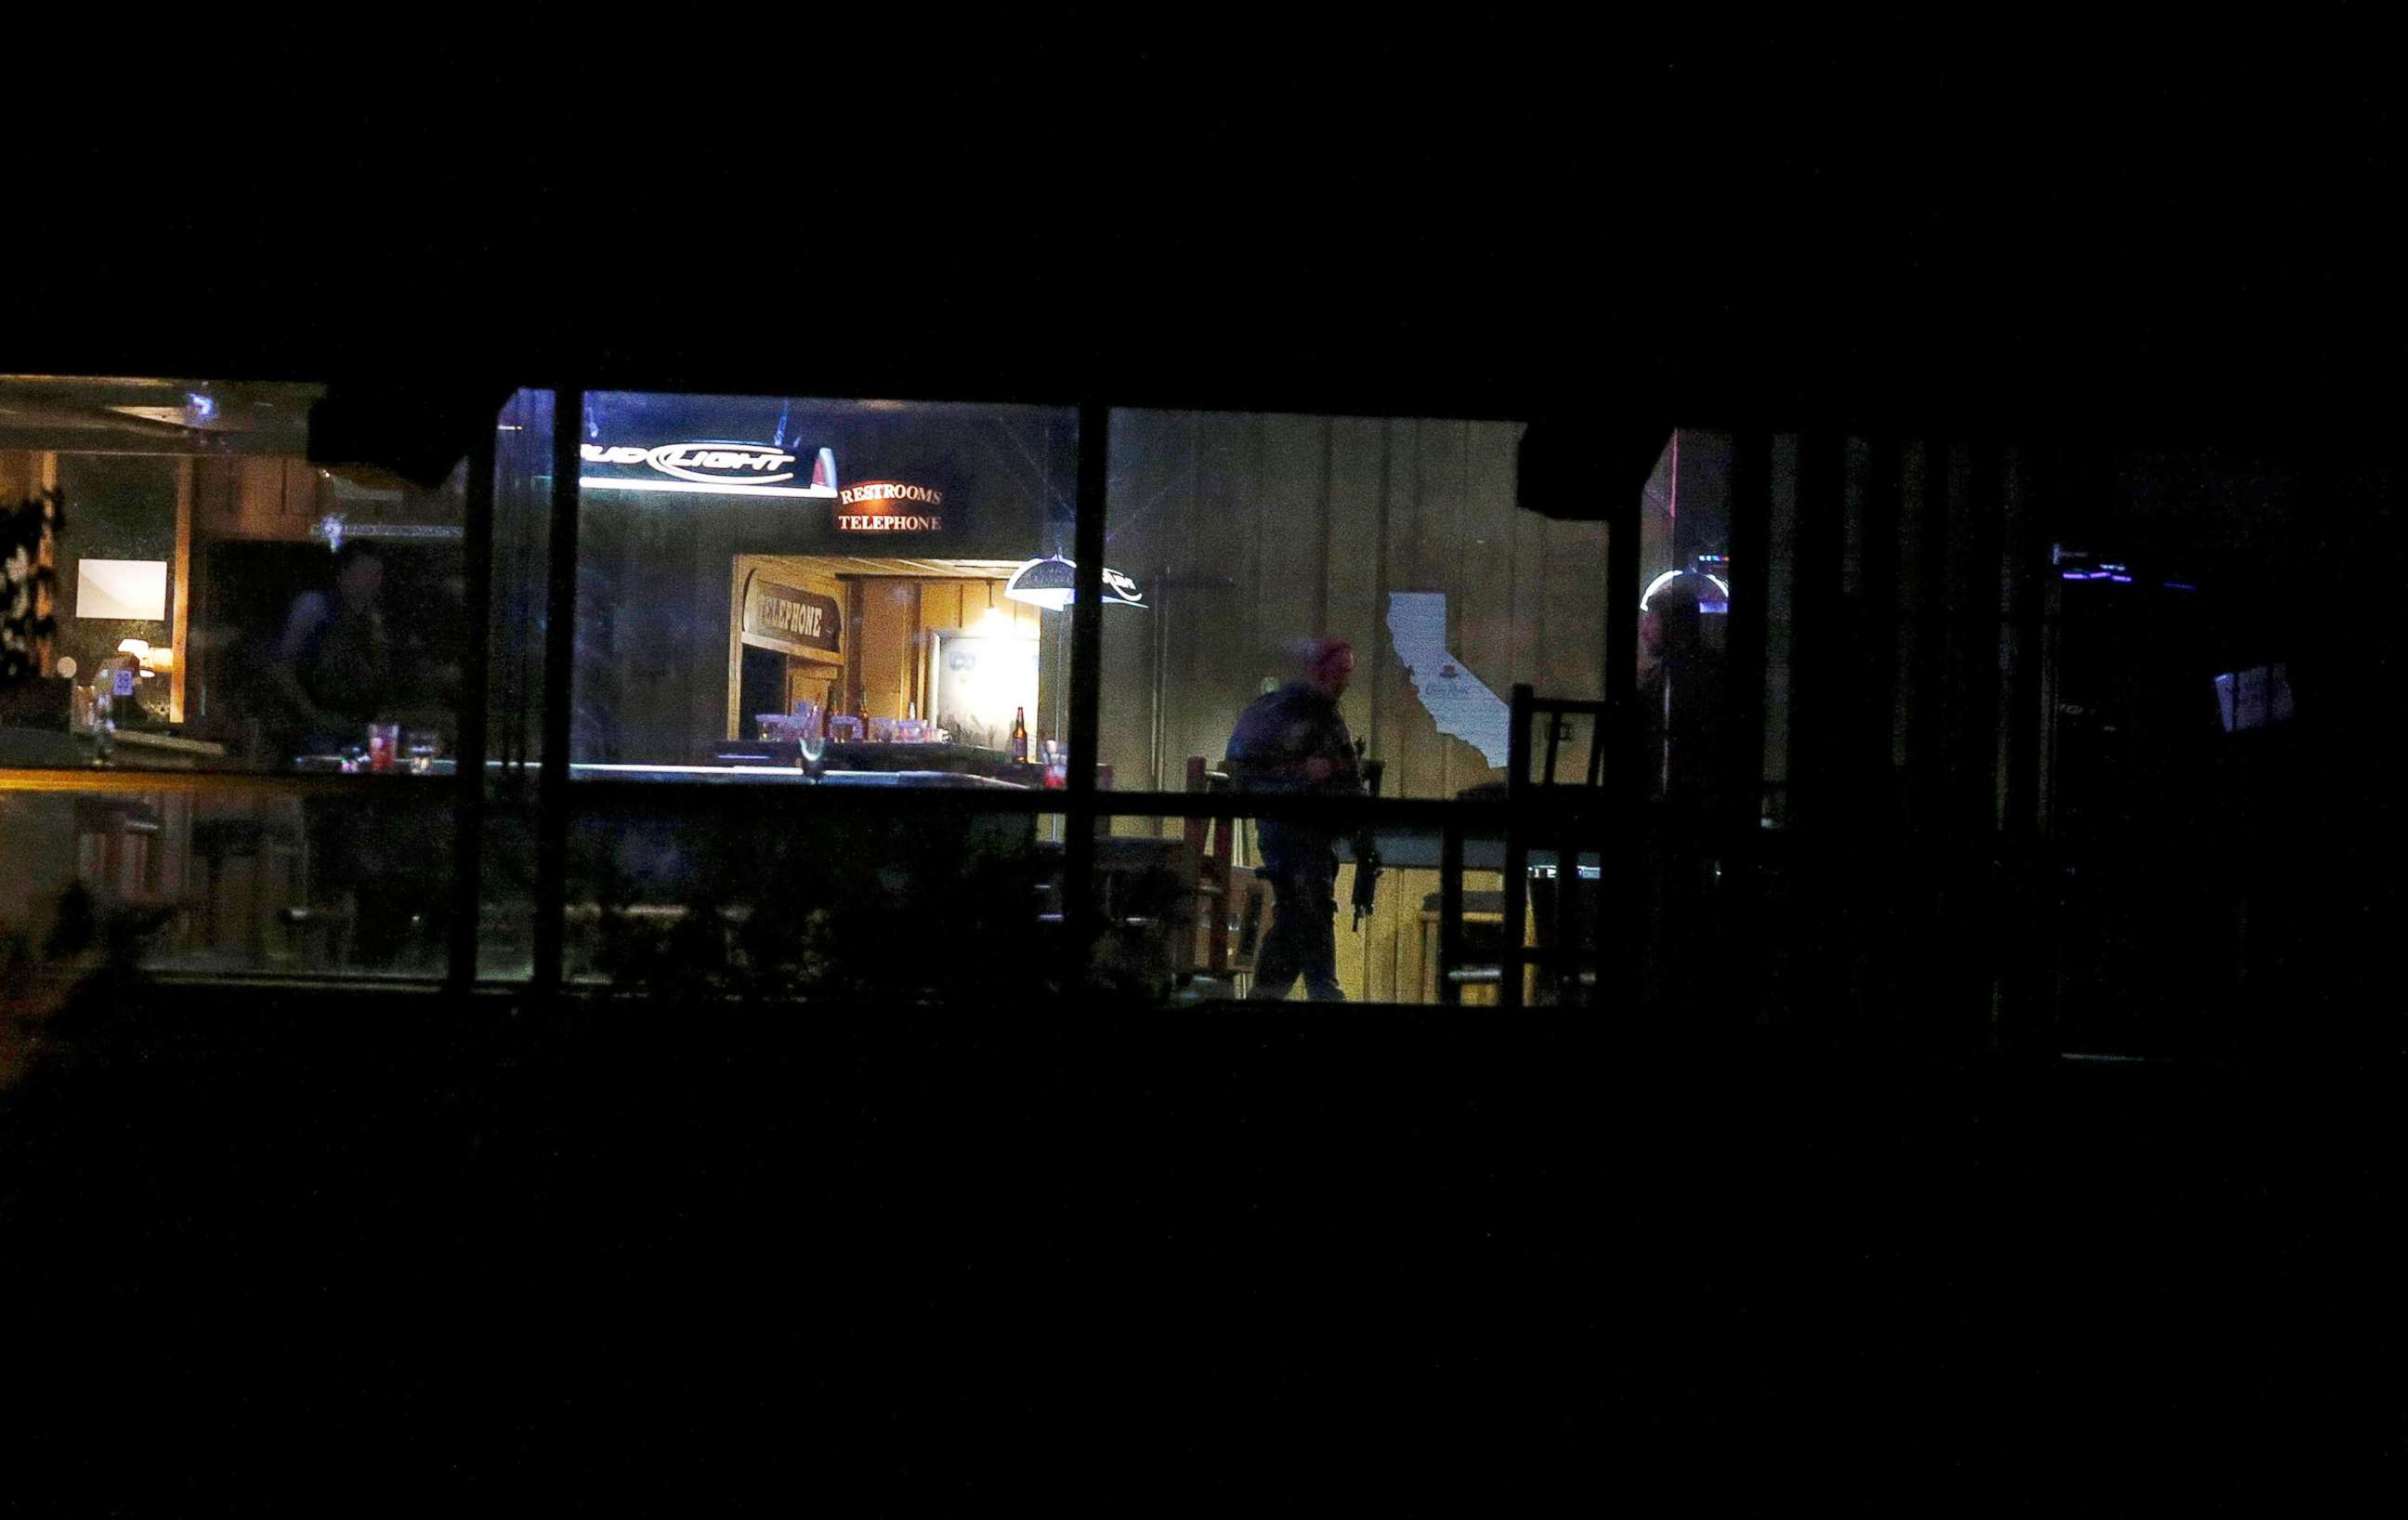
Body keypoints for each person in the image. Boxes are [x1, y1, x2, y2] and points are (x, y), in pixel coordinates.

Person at [1226, 637, 1360, 1001]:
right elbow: (1242, 770)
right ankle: (1321, 991)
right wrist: (1303, 774)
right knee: (1310, 907)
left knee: (1297, 913)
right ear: (1320, 670)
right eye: (1341, 672)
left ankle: (1269, 998)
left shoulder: (1305, 712)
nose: (1345, 681)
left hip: (1304, 831)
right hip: (1294, 830)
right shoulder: (1297, 713)